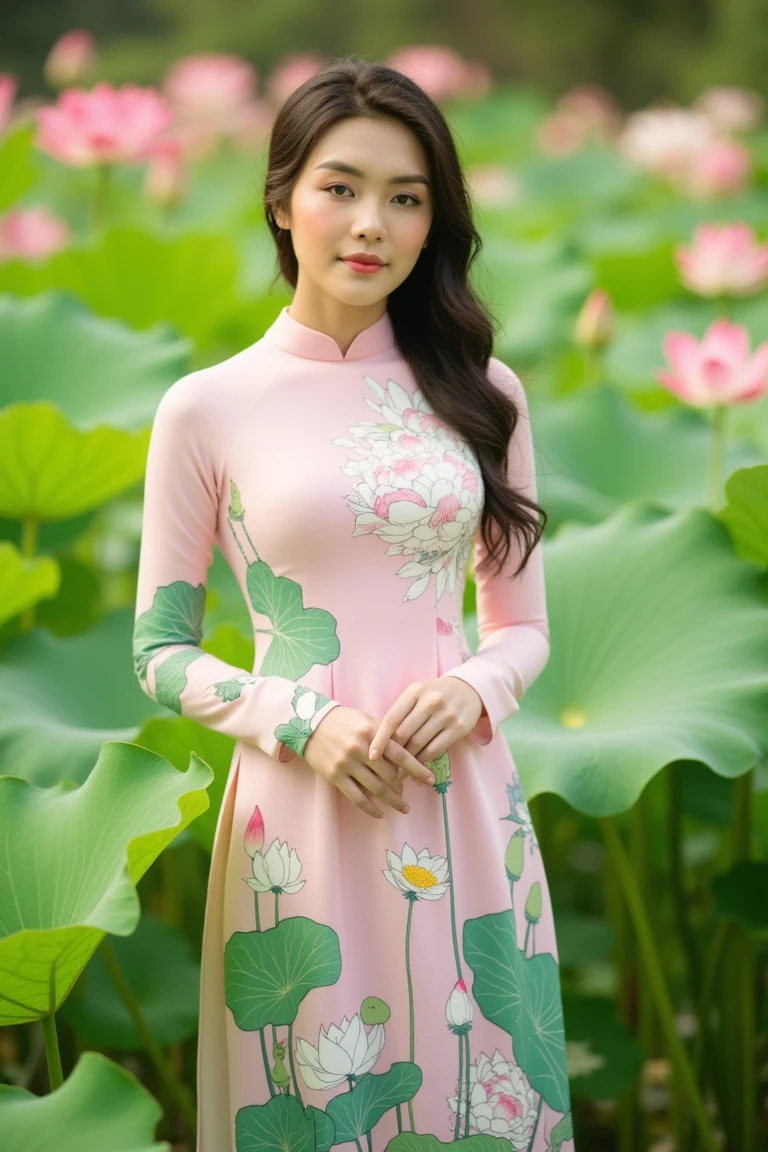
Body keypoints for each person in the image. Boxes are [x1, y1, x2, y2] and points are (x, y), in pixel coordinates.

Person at [133, 55, 574, 1152]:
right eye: (341, 187)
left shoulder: (483, 392)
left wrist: (474, 687)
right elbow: (159, 651)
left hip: (461, 794)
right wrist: (302, 719)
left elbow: (522, 628)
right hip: (300, 810)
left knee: (478, 1079)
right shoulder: (207, 408)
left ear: (435, 223)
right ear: (283, 200)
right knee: (321, 1099)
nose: (371, 222)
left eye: (407, 197)